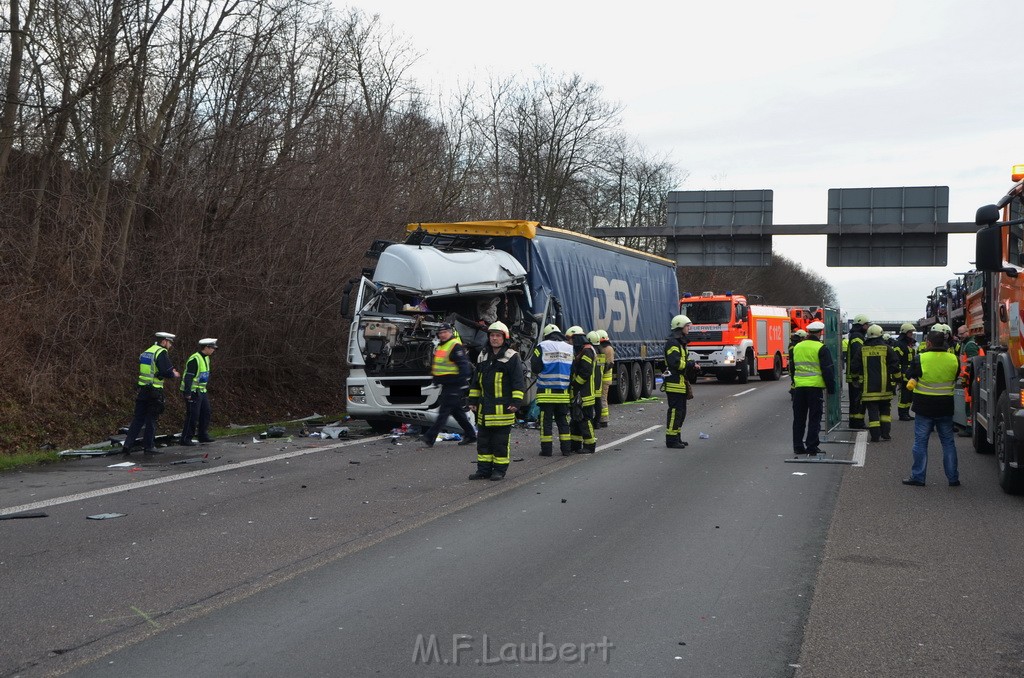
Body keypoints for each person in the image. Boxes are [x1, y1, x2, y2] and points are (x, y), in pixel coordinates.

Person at [902, 329, 961, 487]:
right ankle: (953, 478)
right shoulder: (954, 359)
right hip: (945, 406)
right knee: (948, 443)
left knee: (920, 443)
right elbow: (956, 376)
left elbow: (909, 375)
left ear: (928, 343)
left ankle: (918, 477)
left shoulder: (920, 358)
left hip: (924, 407)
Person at [466, 322, 525, 481]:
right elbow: (476, 382)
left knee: (500, 443)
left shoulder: (512, 357)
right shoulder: (482, 355)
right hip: (485, 410)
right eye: (492, 335)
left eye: (498, 335)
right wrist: (472, 400)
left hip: (502, 410)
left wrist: (516, 402)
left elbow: (518, 382)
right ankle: (483, 470)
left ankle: (499, 470)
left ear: (504, 338)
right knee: (483, 443)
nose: (494, 338)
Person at [420, 323, 477, 448]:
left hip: (454, 385)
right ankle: (471, 435)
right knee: (457, 412)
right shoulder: (442, 346)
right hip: (447, 384)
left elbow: (464, 367)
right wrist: (436, 379)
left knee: (443, 412)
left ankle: (430, 437)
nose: (442, 335)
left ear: (450, 332)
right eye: (440, 333)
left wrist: (461, 384)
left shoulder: (455, 346)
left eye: (445, 332)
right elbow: (439, 365)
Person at [123, 332, 180, 455]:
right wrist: (173, 374)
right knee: (151, 419)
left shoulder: (147, 351)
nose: (170, 345)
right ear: (164, 341)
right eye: (169, 342)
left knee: (138, 419)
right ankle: (148, 446)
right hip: (154, 391)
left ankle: (127, 445)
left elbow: (149, 369)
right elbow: (167, 371)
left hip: (143, 389)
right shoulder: (161, 352)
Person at [790, 321, 836, 455]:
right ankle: (811, 446)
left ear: (809, 332)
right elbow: (827, 370)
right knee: (814, 418)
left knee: (799, 418)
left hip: (799, 387)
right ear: (820, 332)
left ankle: (798, 446)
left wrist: (795, 382)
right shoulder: (821, 348)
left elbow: (792, 368)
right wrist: (831, 387)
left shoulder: (798, 346)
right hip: (815, 388)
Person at [531, 323, 573, 456]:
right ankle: (566, 450)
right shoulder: (570, 347)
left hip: (546, 392)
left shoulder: (542, 346)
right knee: (563, 421)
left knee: (546, 422)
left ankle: (547, 450)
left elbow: (535, 367)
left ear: (546, 335)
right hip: (563, 393)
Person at [855, 324, 900, 443]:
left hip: (868, 389)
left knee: (873, 412)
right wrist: (898, 380)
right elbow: (895, 366)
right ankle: (886, 434)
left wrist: (856, 380)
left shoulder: (862, 350)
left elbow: (855, 367)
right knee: (885, 412)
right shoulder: (887, 349)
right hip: (885, 387)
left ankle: (875, 436)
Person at [664, 314, 696, 449]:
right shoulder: (672, 343)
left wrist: (693, 365)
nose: (689, 328)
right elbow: (675, 363)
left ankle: (677, 437)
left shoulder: (680, 343)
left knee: (681, 412)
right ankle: (671, 440)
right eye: (687, 326)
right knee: (675, 412)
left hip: (680, 383)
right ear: (680, 327)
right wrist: (690, 364)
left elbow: (682, 362)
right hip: (674, 383)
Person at [565, 325, 597, 454]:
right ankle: (576, 445)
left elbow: (585, 372)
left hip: (585, 394)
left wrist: (575, 384)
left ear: (576, 338)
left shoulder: (587, 351)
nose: (569, 342)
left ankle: (590, 445)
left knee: (584, 420)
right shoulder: (580, 351)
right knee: (575, 420)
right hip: (579, 394)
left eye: (570, 339)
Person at [180, 338, 218, 446]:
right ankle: (186, 438)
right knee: (193, 415)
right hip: (193, 391)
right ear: (206, 348)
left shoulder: (206, 358)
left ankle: (202, 435)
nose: (213, 350)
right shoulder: (195, 359)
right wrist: (187, 393)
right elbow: (188, 377)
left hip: (201, 390)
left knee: (206, 412)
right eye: (212, 348)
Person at [846, 314, 870, 429]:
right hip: (856, 375)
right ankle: (857, 422)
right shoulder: (857, 337)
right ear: (861, 325)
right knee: (857, 400)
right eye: (866, 325)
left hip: (855, 374)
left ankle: (854, 421)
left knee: (856, 400)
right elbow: (858, 355)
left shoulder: (857, 335)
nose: (868, 327)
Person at [894, 322, 918, 421]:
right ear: (905, 333)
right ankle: (902, 414)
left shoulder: (911, 343)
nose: (912, 334)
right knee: (904, 395)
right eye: (910, 332)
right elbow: (896, 360)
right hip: (903, 372)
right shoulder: (899, 344)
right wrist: (898, 374)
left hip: (910, 372)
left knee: (910, 395)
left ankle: (906, 412)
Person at [587, 330, 605, 435]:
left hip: (591, 382)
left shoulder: (591, 353)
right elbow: (606, 367)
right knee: (598, 404)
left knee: (590, 404)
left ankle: (592, 422)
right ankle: (597, 422)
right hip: (599, 382)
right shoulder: (601, 353)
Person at [597, 329, 615, 428]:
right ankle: (602, 419)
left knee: (602, 399)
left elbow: (607, 364)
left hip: (604, 378)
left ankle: (604, 420)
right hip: (605, 378)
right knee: (602, 398)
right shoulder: (608, 348)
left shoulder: (606, 349)